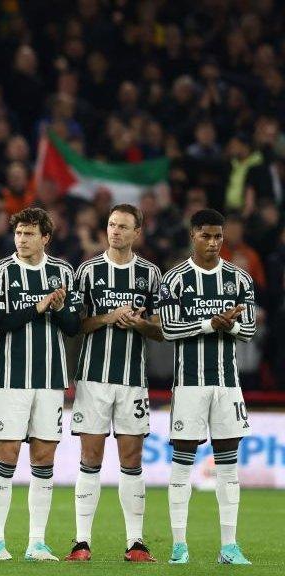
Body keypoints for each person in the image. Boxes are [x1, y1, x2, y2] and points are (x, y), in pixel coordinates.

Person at [0, 207, 81, 561]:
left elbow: (73, 327)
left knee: (43, 457)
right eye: (18, 233)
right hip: (11, 379)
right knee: (6, 455)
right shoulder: (1, 271)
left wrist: (57, 307)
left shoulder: (62, 272)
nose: (22, 240)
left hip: (51, 379)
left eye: (29, 234)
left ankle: (36, 541)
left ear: (45, 238)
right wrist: (37, 308)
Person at [158, 209, 256, 565]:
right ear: (193, 235)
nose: (213, 243)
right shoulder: (175, 279)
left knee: (229, 465)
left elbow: (248, 332)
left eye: (218, 237)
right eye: (206, 236)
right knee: (182, 463)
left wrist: (226, 326)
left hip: (228, 385)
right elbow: (168, 329)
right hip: (189, 385)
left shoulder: (240, 279)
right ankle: (179, 545)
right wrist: (208, 323)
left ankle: (229, 546)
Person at [66, 205, 163, 562]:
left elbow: (161, 330)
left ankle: (135, 543)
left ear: (138, 232)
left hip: (133, 380)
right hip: (93, 378)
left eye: (123, 227)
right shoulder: (88, 271)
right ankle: (81, 543)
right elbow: (76, 325)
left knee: (132, 459)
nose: (115, 231)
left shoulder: (150, 274)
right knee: (89, 457)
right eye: (111, 225)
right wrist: (109, 316)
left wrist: (140, 325)